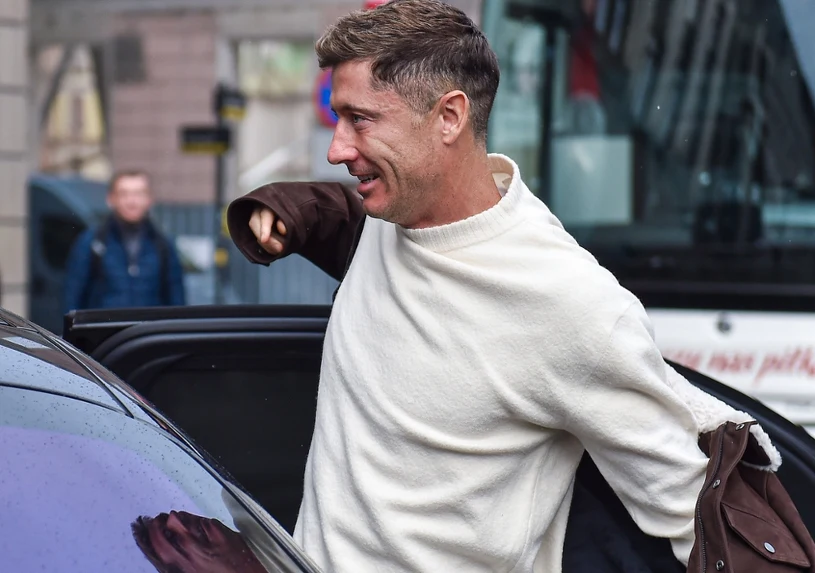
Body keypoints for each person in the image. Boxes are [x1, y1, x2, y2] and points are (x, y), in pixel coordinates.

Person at [226, 1, 773, 571]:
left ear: (449, 116)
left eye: (360, 120)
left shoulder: (566, 300)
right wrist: (284, 209)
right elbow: (342, 220)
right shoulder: (388, 222)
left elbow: (697, 512)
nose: (336, 148)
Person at [63, 170, 186, 315]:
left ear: (149, 199)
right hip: (104, 329)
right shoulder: (92, 242)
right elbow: (72, 298)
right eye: (124, 194)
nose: (131, 201)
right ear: (111, 199)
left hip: (150, 329)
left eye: (138, 194)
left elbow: (177, 302)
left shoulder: (163, 245)